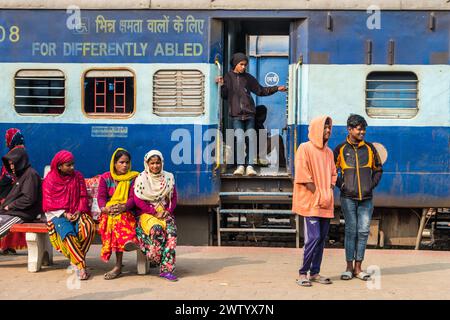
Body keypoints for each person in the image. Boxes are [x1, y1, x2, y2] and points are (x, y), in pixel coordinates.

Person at [216, 52, 287, 176]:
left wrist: (276, 88)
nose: (244, 67)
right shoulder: (228, 77)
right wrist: (222, 85)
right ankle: (240, 166)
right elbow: (225, 95)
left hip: (249, 114)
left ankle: (250, 166)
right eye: (241, 64)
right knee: (239, 139)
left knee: (251, 139)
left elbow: (260, 91)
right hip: (236, 115)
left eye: (245, 65)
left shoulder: (248, 78)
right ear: (235, 64)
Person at [334, 114, 383, 281]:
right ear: (349, 129)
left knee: (362, 232)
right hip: (347, 197)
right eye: (359, 129)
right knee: (351, 231)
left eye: (364, 129)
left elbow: (378, 169)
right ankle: (348, 267)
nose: (362, 132)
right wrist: (342, 185)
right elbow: (332, 172)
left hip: (366, 198)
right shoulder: (340, 149)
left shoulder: (369, 148)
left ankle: (358, 268)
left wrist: (371, 185)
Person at [292, 116, 336, 287]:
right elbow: (303, 175)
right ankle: (303, 273)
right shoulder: (304, 148)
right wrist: (318, 193)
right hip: (311, 202)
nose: (328, 131)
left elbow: (333, 173)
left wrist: (329, 191)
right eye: (325, 128)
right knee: (313, 237)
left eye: (329, 128)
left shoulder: (329, 152)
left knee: (322, 238)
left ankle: (315, 272)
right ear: (317, 129)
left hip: (326, 201)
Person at [42, 150, 96, 280]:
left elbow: (83, 196)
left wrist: (78, 210)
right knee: (68, 233)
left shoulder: (78, 177)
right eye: (68, 165)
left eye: (73, 164)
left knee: (88, 226)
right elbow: (48, 204)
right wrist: (65, 214)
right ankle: (81, 266)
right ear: (59, 166)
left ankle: (75, 260)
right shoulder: (50, 180)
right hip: (58, 215)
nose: (72, 167)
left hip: (78, 211)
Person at [130, 150, 178, 281]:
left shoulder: (168, 177)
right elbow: (138, 200)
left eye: (158, 163)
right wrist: (154, 212)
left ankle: (167, 270)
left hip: (165, 212)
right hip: (147, 214)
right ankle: (156, 258)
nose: (155, 166)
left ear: (162, 163)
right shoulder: (141, 179)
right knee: (156, 230)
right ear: (147, 164)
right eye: (152, 163)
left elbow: (173, 198)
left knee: (172, 234)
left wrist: (168, 211)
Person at [97, 148, 140, 280]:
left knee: (118, 220)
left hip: (127, 211)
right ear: (114, 163)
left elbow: (134, 198)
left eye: (127, 162)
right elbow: (101, 198)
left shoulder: (134, 178)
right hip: (109, 212)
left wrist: (123, 207)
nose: (125, 165)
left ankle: (118, 265)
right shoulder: (105, 178)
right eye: (121, 162)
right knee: (112, 221)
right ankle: (128, 242)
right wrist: (105, 209)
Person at [0, 148, 42, 242]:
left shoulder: (30, 175)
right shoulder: (21, 175)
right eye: (10, 164)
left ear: (20, 162)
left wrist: (10, 206)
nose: (11, 167)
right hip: (12, 213)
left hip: (21, 214)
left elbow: (29, 199)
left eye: (13, 163)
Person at [0, 129, 27, 254]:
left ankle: (5, 246)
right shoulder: (23, 151)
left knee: (5, 219)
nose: (6, 142)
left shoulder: (13, 154)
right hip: (14, 192)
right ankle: (7, 246)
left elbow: (8, 176)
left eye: (7, 139)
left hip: (7, 194)